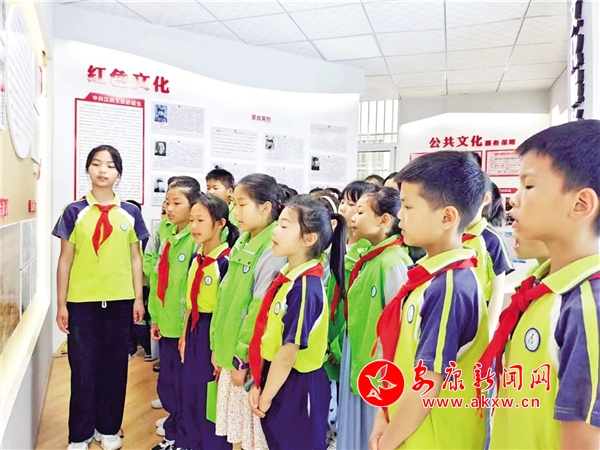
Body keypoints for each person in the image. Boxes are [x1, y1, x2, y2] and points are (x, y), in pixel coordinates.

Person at [478, 120, 600, 449]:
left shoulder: (587, 306)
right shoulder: (541, 288)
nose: (512, 200)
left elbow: (585, 441)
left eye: (529, 186)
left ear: (581, 204)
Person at [371, 150, 488, 449]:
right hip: (408, 432)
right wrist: (384, 417)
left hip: (434, 439)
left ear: (447, 217)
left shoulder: (449, 286)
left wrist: (387, 441)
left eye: (408, 206)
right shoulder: (428, 277)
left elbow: (428, 382)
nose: (400, 215)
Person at [53, 145, 149, 450]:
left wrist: (138, 299)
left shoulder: (130, 212)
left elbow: (136, 258)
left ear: (118, 173)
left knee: (115, 368)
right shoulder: (74, 211)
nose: (103, 170)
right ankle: (80, 433)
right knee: (82, 368)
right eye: (96, 164)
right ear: (88, 169)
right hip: (82, 303)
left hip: (120, 302)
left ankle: (108, 428)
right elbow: (65, 259)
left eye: (109, 165)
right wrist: (61, 304)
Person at [248, 195, 347, 450]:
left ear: (309, 239)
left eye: (284, 225)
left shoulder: (305, 288)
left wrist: (266, 396)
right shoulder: (288, 277)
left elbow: (287, 353)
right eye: (277, 224)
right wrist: (260, 383)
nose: (275, 231)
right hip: (277, 377)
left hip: (298, 385)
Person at [210, 174, 287, 450]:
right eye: (234, 204)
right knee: (238, 435)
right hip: (229, 350)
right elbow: (224, 297)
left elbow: (258, 310)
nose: (235, 211)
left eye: (242, 205)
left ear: (265, 207)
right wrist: (216, 344)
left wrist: (242, 359)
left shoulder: (272, 248)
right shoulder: (243, 240)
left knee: (253, 437)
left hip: (246, 360)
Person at [336, 187, 411, 450]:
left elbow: (397, 324)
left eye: (360, 212)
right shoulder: (370, 257)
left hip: (378, 367)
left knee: (370, 432)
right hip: (358, 356)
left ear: (384, 220)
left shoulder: (393, 262)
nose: (353, 218)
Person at [178, 193, 239, 450]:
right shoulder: (197, 259)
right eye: (191, 220)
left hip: (212, 333)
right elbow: (190, 304)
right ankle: (192, 442)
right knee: (190, 391)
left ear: (220, 224)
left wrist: (218, 348)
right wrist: (183, 336)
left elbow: (226, 312)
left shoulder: (226, 263)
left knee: (209, 396)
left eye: (200, 220)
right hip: (193, 330)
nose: (194, 226)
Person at [148, 178, 198, 450]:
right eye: (167, 202)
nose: (169, 208)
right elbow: (157, 279)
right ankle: (174, 431)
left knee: (183, 387)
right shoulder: (166, 232)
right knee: (167, 383)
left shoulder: (196, 239)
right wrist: (155, 317)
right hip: (166, 323)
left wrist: (186, 330)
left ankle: (181, 437)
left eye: (177, 203)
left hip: (184, 329)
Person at [462, 174, 514, 333]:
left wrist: (489, 332)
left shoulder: (492, 240)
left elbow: (497, 291)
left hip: (479, 316)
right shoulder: (451, 234)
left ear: (485, 199)